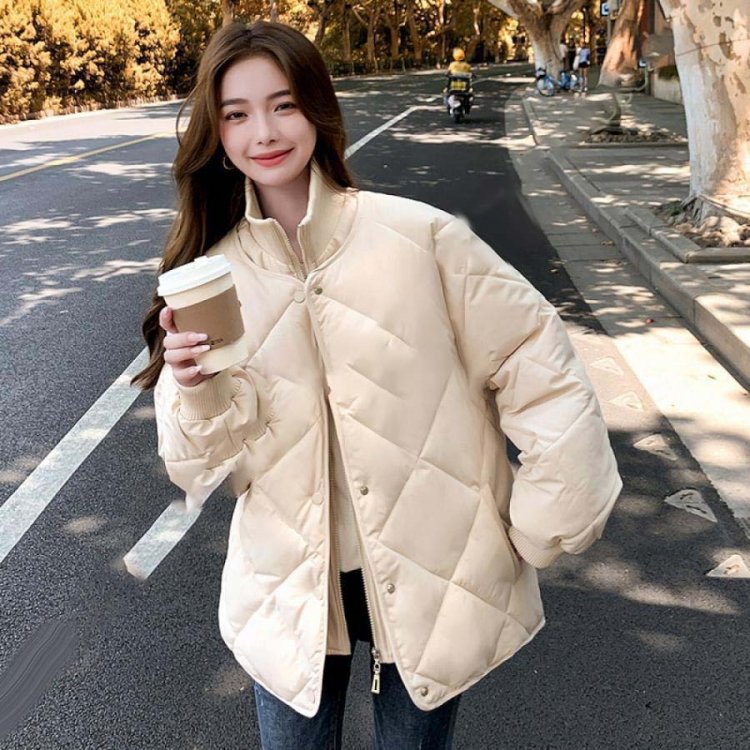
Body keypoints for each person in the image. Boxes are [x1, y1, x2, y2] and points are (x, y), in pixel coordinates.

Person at [134, 20, 622, 750]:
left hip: (435, 571)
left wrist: (545, 517)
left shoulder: (421, 237)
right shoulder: (212, 277)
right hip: (287, 587)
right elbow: (195, 468)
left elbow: (536, 360)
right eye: (236, 114)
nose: (264, 132)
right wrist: (194, 386)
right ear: (217, 132)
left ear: (317, 109)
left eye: (283, 104)